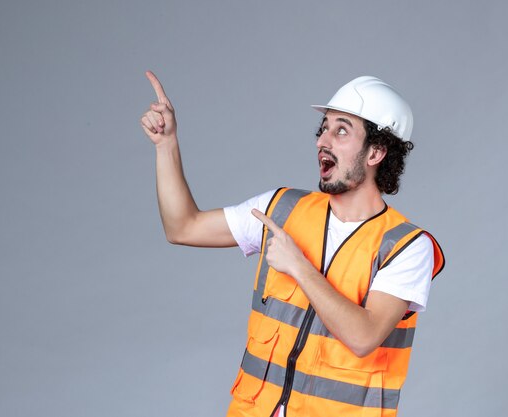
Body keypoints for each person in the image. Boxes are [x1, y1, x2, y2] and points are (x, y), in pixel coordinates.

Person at [140, 71, 445, 417]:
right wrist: (167, 145)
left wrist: (298, 265)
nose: (322, 140)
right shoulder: (281, 208)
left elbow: (364, 337)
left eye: (341, 130)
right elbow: (183, 227)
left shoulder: (406, 246)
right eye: (323, 128)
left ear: (376, 152)